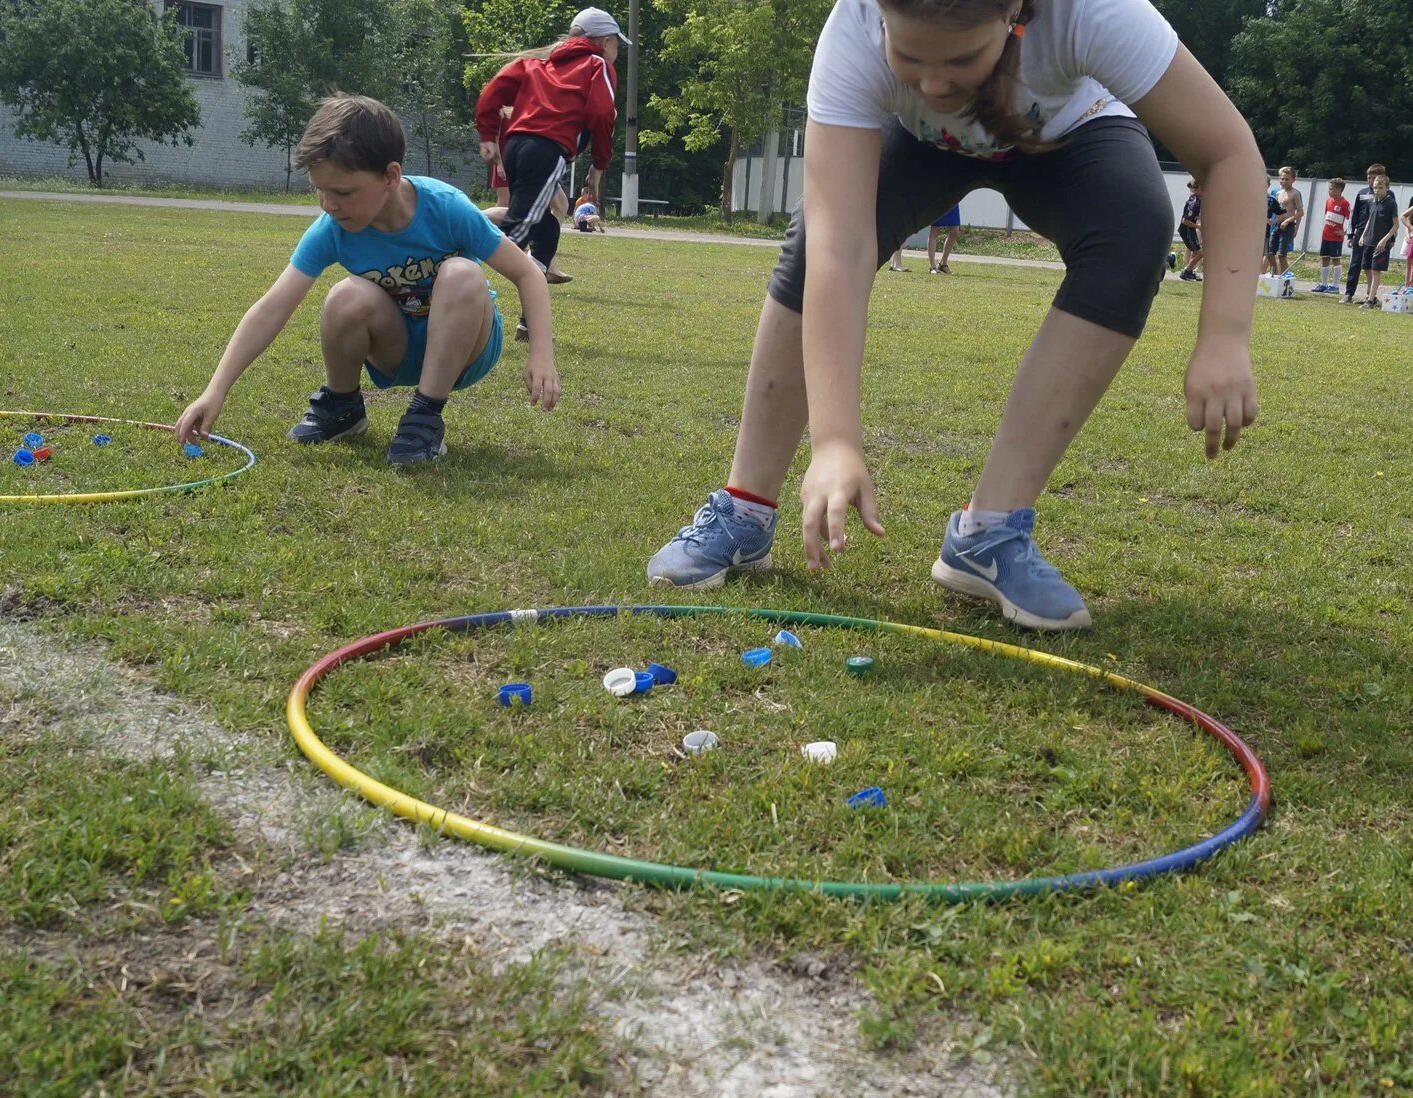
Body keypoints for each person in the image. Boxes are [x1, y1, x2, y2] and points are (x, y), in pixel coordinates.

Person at [643, 0, 1262, 632]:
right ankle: (744, 509)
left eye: (963, 56)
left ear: (1016, 13)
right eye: (908, 56)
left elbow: (1228, 153)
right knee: (812, 241)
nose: (935, 85)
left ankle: (988, 534)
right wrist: (833, 440)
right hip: (917, 144)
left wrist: (1224, 335)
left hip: (1069, 134)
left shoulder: (1095, 14)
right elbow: (841, 245)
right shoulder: (855, 26)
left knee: (1133, 229)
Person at [173, 95, 559, 466]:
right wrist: (215, 390)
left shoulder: (445, 207)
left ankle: (425, 417)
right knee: (345, 296)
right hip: (398, 348)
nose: (329, 204)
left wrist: (541, 354)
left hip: (466, 348)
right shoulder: (333, 229)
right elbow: (272, 307)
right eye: (319, 190)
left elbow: (527, 273)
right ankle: (342, 408)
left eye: (342, 192)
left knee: (461, 273)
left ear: (391, 176)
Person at [476, 7, 624, 338]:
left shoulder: (539, 63)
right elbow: (602, 115)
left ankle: (528, 321)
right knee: (517, 232)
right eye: (617, 45)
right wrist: (600, 164)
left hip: (516, 148)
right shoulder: (597, 64)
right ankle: (447, 276)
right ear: (604, 41)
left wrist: (488, 134)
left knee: (546, 229)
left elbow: (493, 90)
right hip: (546, 150)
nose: (617, 53)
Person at [1343, 163, 1388, 303]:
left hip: (1377, 235)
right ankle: (1349, 293)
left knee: (1372, 266)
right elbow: (1354, 214)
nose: (1370, 180)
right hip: (1361, 232)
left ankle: (1371, 296)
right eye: (1369, 177)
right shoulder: (1362, 193)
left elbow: (1391, 219)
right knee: (1355, 263)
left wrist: (1390, 238)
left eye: (1374, 177)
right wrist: (1350, 235)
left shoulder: (1388, 195)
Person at [1263, 165, 1302, 293]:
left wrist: (1289, 221)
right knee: (1269, 252)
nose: (1284, 181)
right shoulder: (1277, 193)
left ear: (1293, 180)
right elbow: (1275, 211)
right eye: (1282, 179)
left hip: (1287, 226)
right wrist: (1271, 221)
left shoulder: (1295, 194)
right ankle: (1274, 274)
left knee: (1282, 254)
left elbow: (1300, 212)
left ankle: (1284, 278)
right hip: (1276, 225)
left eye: (1286, 179)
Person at [1314, 176, 1347, 293]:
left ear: (1339, 190)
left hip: (1336, 238)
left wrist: (1345, 232)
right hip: (1326, 235)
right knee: (1324, 258)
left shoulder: (1344, 203)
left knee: (1336, 259)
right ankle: (1323, 284)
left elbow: (1350, 219)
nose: (1329, 191)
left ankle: (1335, 286)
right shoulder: (1328, 201)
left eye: (1331, 189)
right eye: (1329, 188)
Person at [1177, 177, 1204, 281]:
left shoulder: (1199, 200)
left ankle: (1189, 272)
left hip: (1190, 230)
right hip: (1187, 230)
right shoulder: (1194, 202)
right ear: (1197, 189)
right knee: (1200, 253)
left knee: (1195, 252)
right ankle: (1186, 271)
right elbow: (1185, 221)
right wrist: (1199, 227)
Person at [928, 203, 962, 272]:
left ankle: (943, 264)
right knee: (934, 231)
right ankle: (933, 267)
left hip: (953, 201)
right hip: (939, 200)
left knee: (954, 232)